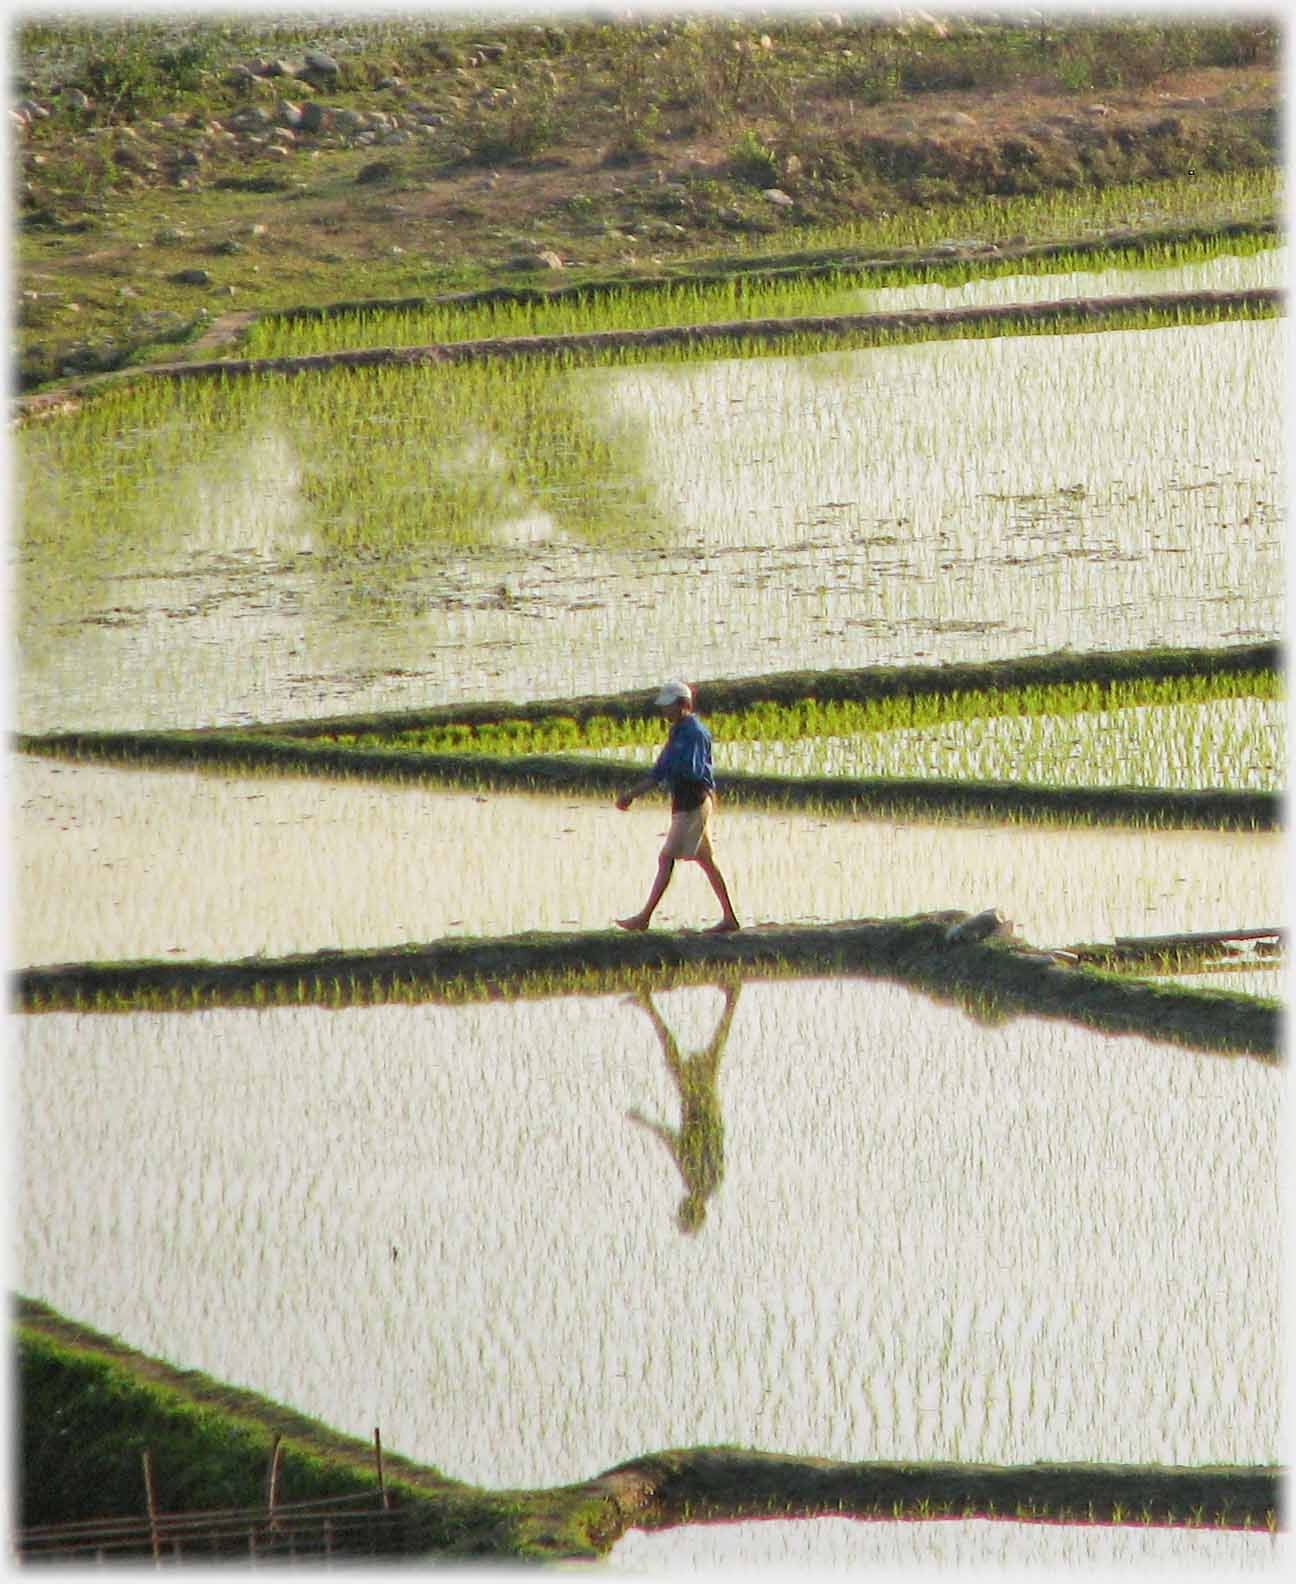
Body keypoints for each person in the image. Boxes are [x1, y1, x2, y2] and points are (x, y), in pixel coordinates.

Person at [614, 680, 740, 933]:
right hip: (685, 800)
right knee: (705, 860)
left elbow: (690, 771)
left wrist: (664, 777)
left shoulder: (694, 733)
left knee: (666, 857)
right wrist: (632, 794)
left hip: (693, 800)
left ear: (683, 705)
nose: (665, 712)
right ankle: (729, 918)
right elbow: (659, 771)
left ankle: (645, 917)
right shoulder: (678, 731)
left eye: (668, 706)